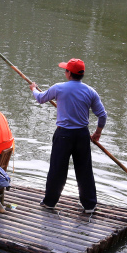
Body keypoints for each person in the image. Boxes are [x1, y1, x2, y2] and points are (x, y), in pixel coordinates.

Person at [30, 58, 106, 214]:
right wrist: (97, 133)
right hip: (82, 135)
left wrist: (33, 88)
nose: (65, 72)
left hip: (64, 134)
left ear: (69, 73)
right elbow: (102, 115)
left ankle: (50, 202)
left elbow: (40, 98)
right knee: (84, 170)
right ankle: (89, 205)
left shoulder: (59, 88)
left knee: (57, 169)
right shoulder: (90, 91)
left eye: (66, 70)